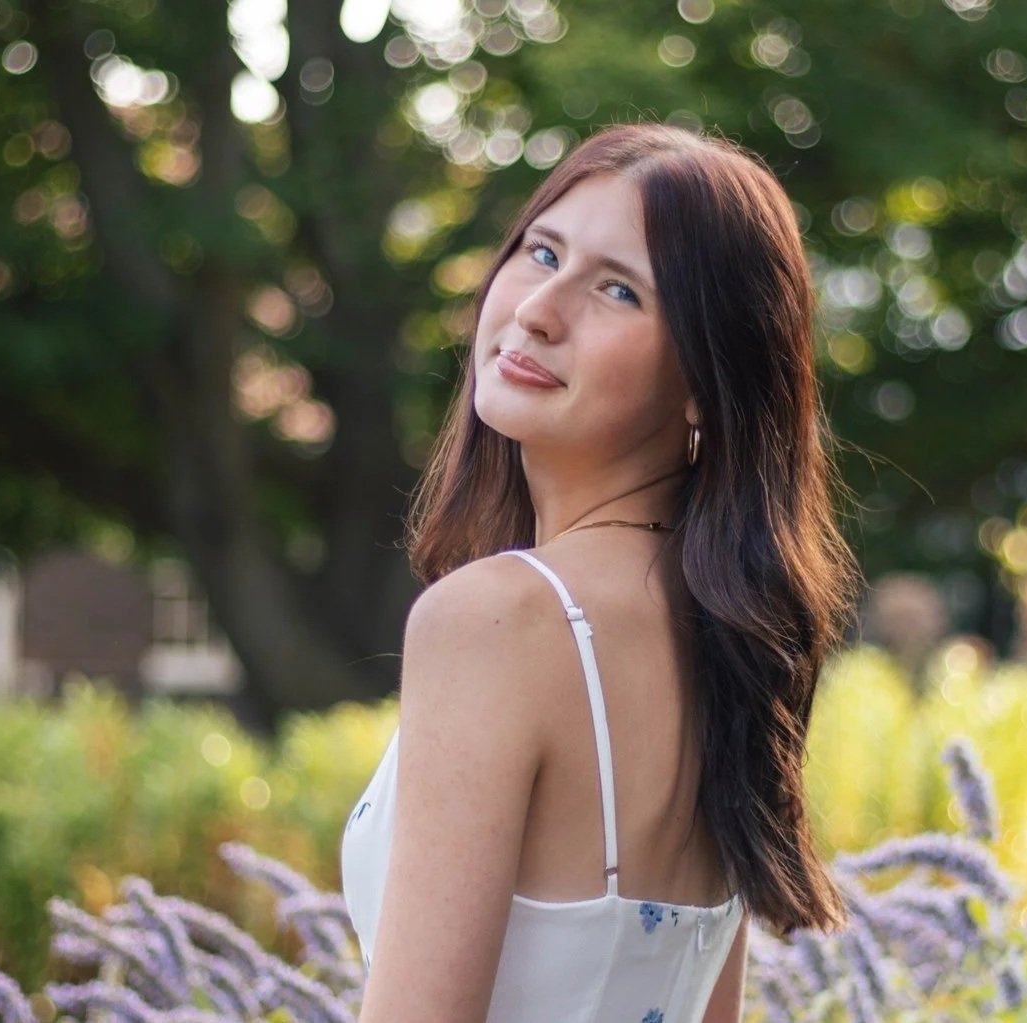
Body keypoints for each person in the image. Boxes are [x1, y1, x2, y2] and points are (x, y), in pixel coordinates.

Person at [341, 121, 863, 1022]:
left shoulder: (498, 620)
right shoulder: (728, 635)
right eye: (541, 251)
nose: (540, 308)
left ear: (707, 378)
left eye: (618, 289)